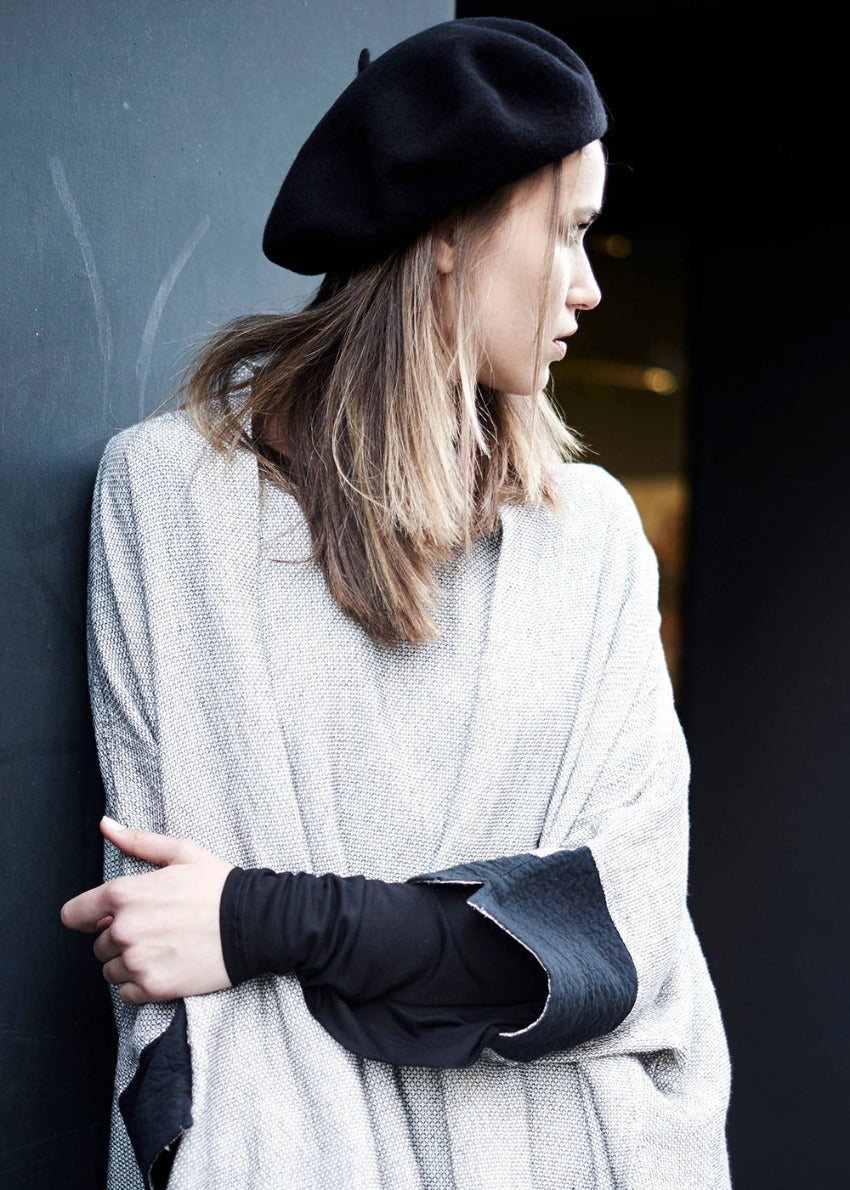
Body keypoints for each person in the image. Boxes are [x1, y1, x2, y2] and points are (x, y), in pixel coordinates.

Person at [61, 16, 731, 1189]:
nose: (586, 284)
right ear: (451, 227)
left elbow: (608, 935)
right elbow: (168, 936)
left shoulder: (589, 545)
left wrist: (268, 918)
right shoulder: (174, 502)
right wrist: (437, 926)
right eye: (568, 231)